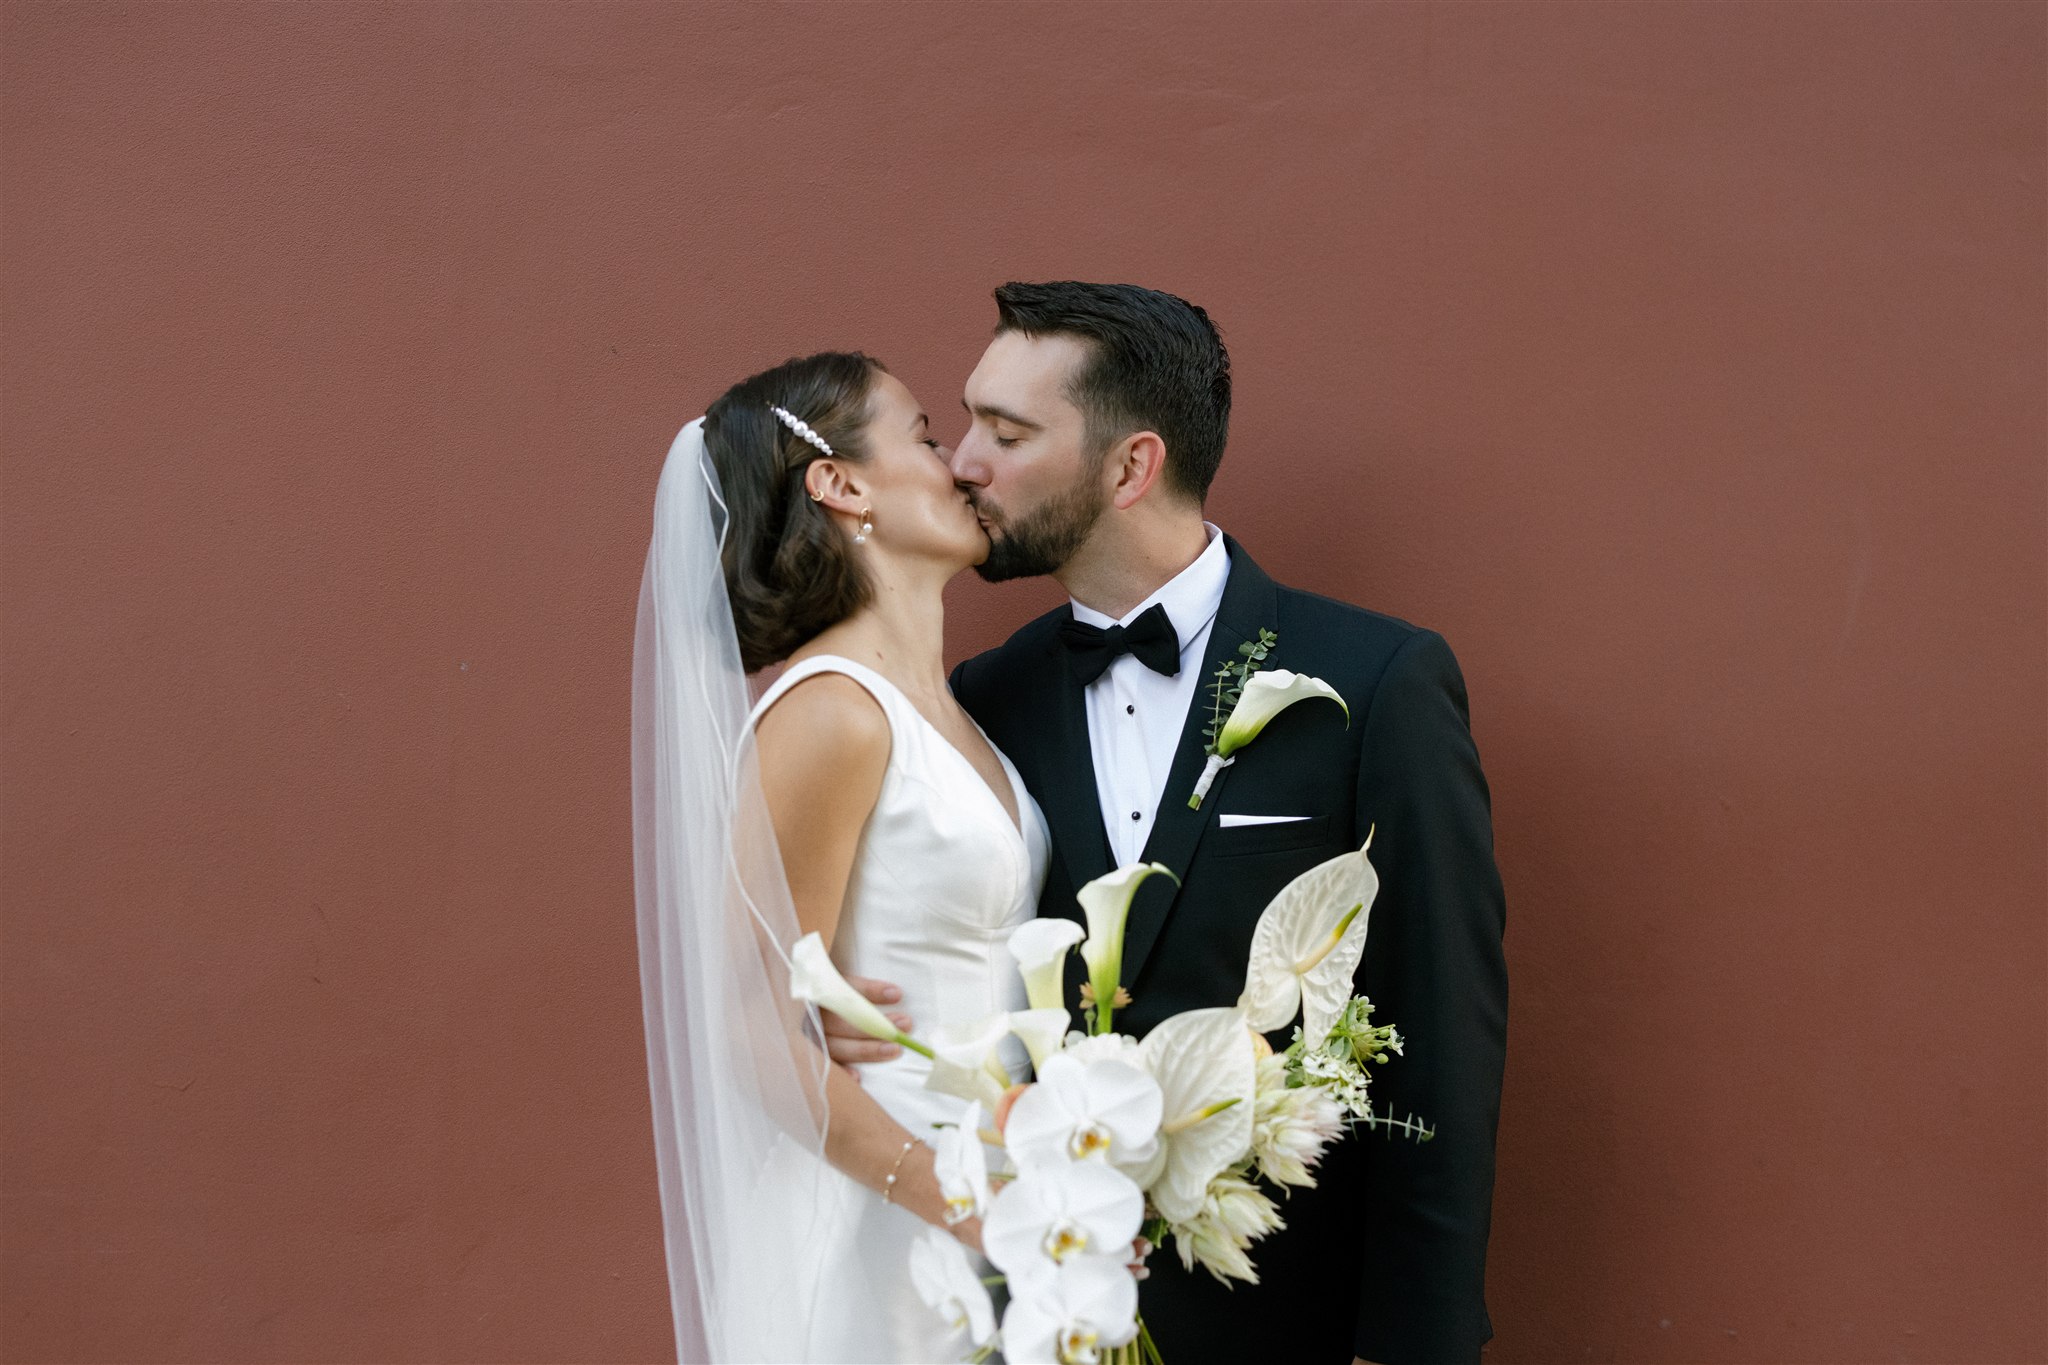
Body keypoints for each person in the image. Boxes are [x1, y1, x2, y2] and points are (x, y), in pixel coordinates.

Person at [824, 281, 1510, 1364]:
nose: (962, 460)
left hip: (1290, 1317)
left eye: (1004, 432)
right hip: (1038, 1315)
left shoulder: (1374, 680)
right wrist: (818, 1020)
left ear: (1129, 467)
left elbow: (1442, 1037)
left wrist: (1414, 1345)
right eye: (964, 422)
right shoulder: (980, 704)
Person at [632, 351, 1049, 1361]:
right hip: (884, 1236)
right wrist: (961, 1208)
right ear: (839, 482)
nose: (956, 463)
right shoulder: (830, 714)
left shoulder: (958, 717)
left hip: (991, 1216)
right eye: (920, 433)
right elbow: (751, 1033)